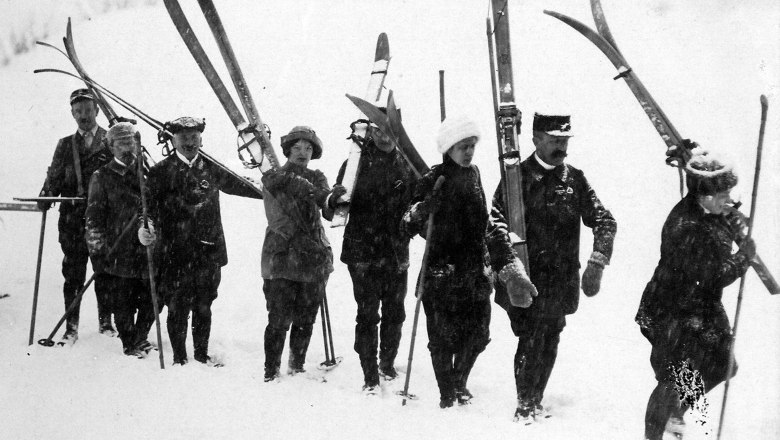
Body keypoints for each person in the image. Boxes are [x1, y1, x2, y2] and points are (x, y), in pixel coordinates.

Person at [401, 115, 537, 409]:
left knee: (478, 335)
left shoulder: (474, 175)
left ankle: (459, 380)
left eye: (472, 145)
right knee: (441, 339)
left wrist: (504, 263)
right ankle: (447, 394)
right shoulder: (432, 179)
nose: (468, 151)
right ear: (448, 148)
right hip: (440, 272)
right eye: (462, 146)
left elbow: (485, 223)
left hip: (473, 270)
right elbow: (406, 223)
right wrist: (426, 207)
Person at [492, 113, 617, 423]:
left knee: (551, 337)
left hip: (561, 280)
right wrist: (510, 271)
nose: (561, 147)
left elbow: (604, 220)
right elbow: (495, 226)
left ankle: (537, 399)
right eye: (554, 140)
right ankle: (525, 403)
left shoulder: (574, 179)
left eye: (565, 140)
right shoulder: (515, 179)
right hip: (527, 278)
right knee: (531, 337)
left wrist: (597, 261)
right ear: (535, 139)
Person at [635, 147, 755, 440]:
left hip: (700, 307)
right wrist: (744, 258)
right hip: (672, 309)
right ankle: (654, 433)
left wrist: (736, 217)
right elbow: (712, 277)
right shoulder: (688, 226)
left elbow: (726, 211)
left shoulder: (707, 205)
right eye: (724, 194)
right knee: (674, 377)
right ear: (706, 196)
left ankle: (674, 411)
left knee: (723, 365)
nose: (730, 199)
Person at [138, 117, 262, 366]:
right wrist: (147, 227)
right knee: (177, 307)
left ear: (201, 139)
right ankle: (180, 358)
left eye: (194, 137)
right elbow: (148, 207)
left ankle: (201, 354)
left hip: (208, 250)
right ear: (173, 140)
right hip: (175, 252)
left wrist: (269, 189)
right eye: (183, 137)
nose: (189, 142)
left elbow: (242, 185)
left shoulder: (212, 168)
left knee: (204, 306)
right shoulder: (161, 171)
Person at [332, 118, 415, 393]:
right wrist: (334, 199)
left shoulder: (407, 164)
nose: (385, 136)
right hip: (363, 253)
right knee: (367, 314)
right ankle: (369, 373)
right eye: (379, 130)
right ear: (371, 131)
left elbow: (417, 205)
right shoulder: (356, 162)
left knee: (396, 313)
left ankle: (387, 364)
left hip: (395, 251)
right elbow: (335, 206)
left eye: (391, 130)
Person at [260, 126, 344, 382]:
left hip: (312, 259)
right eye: (297, 148)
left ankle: (296, 366)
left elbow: (328, 209)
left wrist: (336, 198)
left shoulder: (317, 178)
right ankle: (271, 371)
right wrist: (302, 241)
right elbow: (277, 220)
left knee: (306, 317)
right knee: (279, 318)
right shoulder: (275, 177)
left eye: (308, 148)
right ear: (287, 150)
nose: (302, 153)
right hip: (282, 257)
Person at [38, 88, 115, 343]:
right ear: (72, 113)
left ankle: (107, 325)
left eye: (88, 110)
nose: (84, 115)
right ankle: (71, 328)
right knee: (73, 275)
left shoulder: (111, 140)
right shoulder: (65, 145)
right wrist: (45, 195)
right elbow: (54, 178)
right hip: (72, 220)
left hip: (104, 221)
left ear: (97, 110)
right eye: (78, 111)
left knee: (105, 272)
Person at [85, 122, 156, 357]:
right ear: (111, 147)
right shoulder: (101, 176)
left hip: (145, 246)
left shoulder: (147, 173)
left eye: (131, 141)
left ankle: (141, 336)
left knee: (152, 296)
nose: (128, 147)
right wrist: (98, 253)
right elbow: (94, 218)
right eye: (122, 143)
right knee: (122, 301)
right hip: (117, 250)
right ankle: (129, 343)